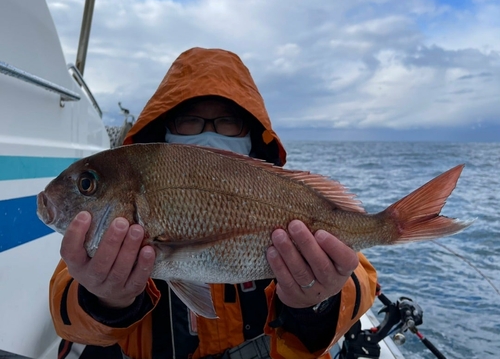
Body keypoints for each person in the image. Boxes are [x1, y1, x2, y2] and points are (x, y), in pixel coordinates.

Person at [50, 47, 377, 359]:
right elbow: (64, 307)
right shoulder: (100, 237)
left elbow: (362, 278)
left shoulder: (281, 195)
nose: (208, 134)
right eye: (189, 120)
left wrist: (318, 302)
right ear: (164, 131)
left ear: (251, 134)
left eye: (228, 121)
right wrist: (104, 298)